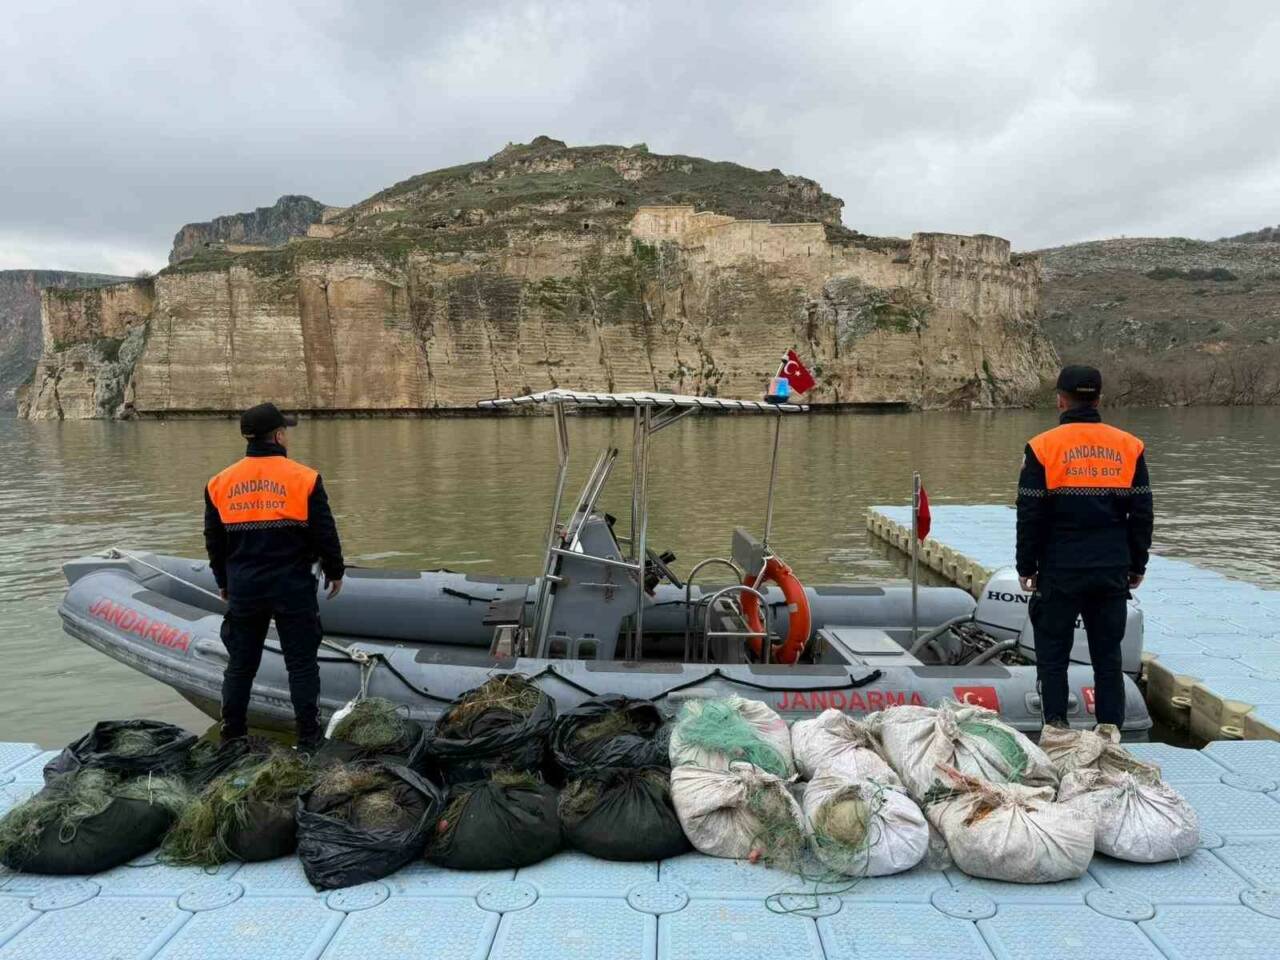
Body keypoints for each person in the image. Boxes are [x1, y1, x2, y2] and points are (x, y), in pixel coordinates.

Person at [1015, 365, 1153, 729]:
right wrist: (1137, 563)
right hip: (1110, 568)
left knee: (1053, 656)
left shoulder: (1042, 447)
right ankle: (1109, 734)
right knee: (1108, 657)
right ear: (1099, 399)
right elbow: (1141, 513)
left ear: (1060, 400)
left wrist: (1025, 566)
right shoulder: (1129, 446)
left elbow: (1030, 514)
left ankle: (1057, 730)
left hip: (1059, 569)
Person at [204, 402, 345, 749]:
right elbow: (324, 531)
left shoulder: (219, 482)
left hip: (245, 586)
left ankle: (232, 734)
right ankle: (308, 739)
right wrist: (335, 569)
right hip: (291, 585)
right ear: (279, 435)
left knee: (240, 665)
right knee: (300, 664)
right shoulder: (305, 478)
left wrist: (223, 580)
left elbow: (214, 540)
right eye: (286, 431)